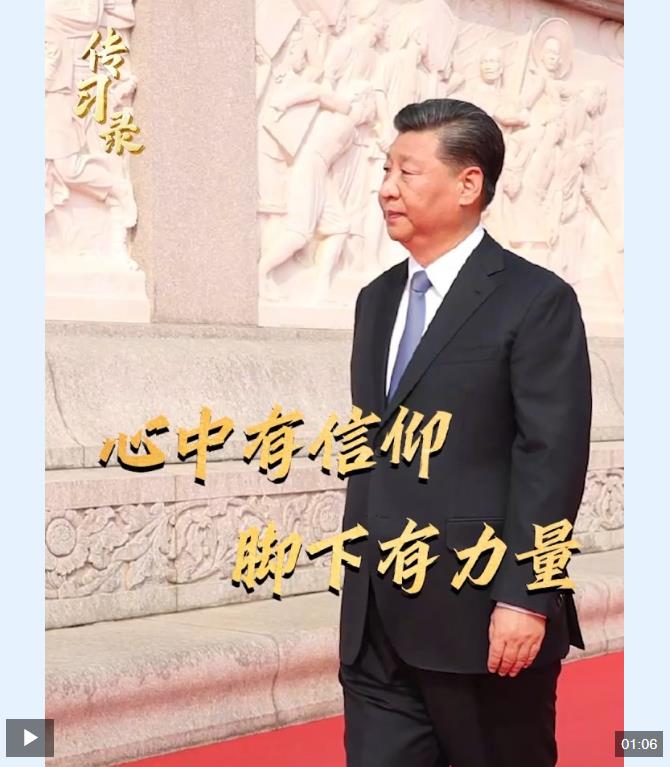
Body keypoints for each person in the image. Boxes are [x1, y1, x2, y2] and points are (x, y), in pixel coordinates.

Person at [338, 98, 592, 767]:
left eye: (407, 171)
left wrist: (526, 596)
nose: (386, 188)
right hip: (377, 627)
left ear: (468, 184)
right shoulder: (375, 301)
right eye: (386, 170)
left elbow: (551, 459)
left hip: (483, 625)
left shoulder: (535, 301)